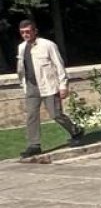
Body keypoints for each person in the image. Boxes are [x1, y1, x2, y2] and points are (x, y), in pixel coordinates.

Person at [15, 20, 83, 158]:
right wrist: (24, 85)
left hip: (49, 86)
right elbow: (22, 68)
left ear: (35, 31)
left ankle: (75, 131)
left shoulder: (48, 45)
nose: (25, 35)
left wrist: (63, 85)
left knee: (55, 114)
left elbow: (59, 65)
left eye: (28, 31)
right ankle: (34, 145)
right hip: (31, 87)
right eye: (22, 32)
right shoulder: (22, 47)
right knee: (31, 116)